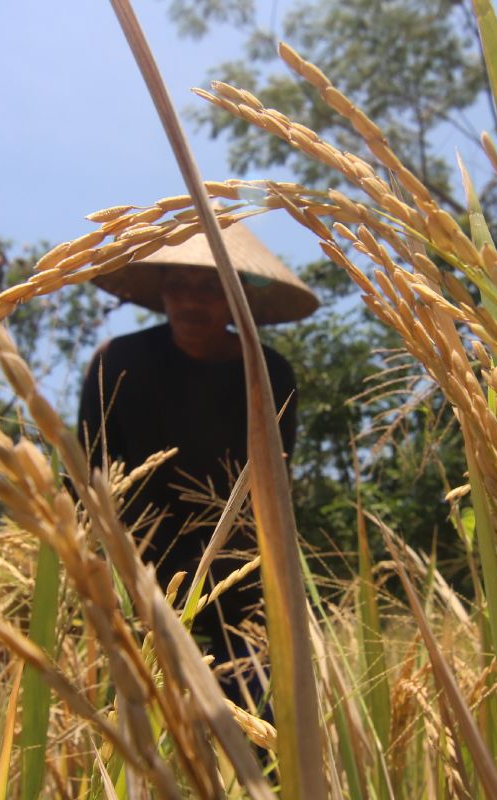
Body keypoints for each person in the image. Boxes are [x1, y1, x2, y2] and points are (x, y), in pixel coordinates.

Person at [76, 221, 318, 706]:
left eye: (211, 288)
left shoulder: (267, 371)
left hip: (237, 569)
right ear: (162, 291)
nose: (191, 301)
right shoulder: (118, 361)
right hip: (139, 566)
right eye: (178, 285)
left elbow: (272, 488)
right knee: (140, 715)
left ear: (238, 296)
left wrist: (221, 562)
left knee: (258, 708)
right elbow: (88, 477)